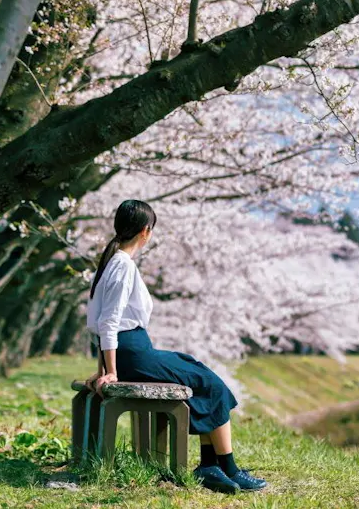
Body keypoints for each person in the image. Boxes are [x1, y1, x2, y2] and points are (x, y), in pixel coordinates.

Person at [84, 199, 267, 494]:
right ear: (146, 231)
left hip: (132, 352)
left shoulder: (110, 263)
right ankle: (227, 467)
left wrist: (103, 368)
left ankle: (211, 465)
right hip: (134, 354)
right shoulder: (123, 265)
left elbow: (98, 322)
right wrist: (112, 372)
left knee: (197, 371)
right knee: (212, 384)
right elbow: (109, 322)